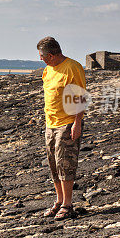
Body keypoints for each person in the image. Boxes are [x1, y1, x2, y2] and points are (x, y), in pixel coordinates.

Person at [37, 36, 86, 220]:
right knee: (54, 165)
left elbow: (80, 97)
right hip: (51, 124)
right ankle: (59, 201)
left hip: (67, 123)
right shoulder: (47, 70)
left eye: (41, 55)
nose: (40, 58)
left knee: (66, 164)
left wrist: (77, 123)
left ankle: (67, 204)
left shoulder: (73, 67)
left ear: (50, 55)